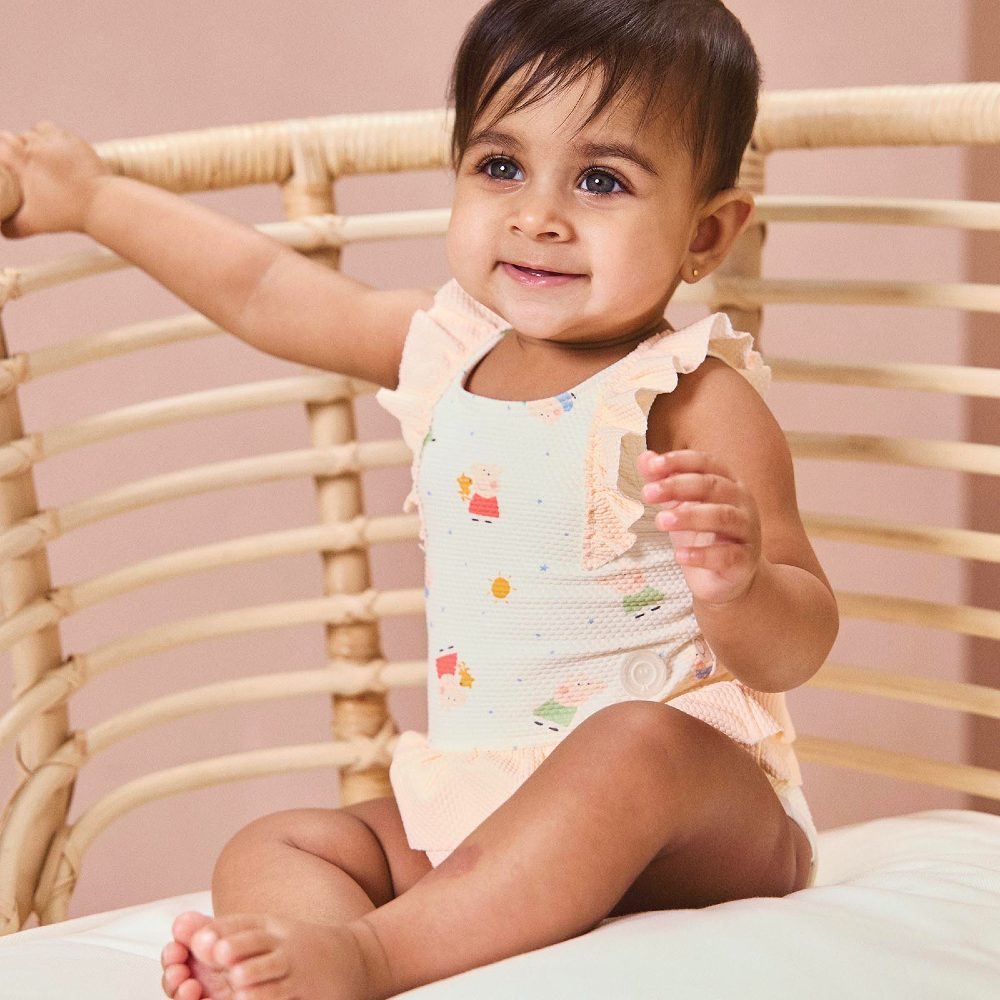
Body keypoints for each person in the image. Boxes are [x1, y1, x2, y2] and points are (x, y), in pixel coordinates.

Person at [0, 1, 839, 997]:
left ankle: (370, 956)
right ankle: (303, 963)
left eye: (601, 180)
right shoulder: (447, 353)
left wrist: (738, 584)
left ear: (704, 232)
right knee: (281, 843)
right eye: (499, 166)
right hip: (489, 800)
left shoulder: (689, 392)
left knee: (632, 739)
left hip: (696, 811)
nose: (537, 215)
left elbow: (800, 639)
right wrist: (94, 199)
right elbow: (266, 288)